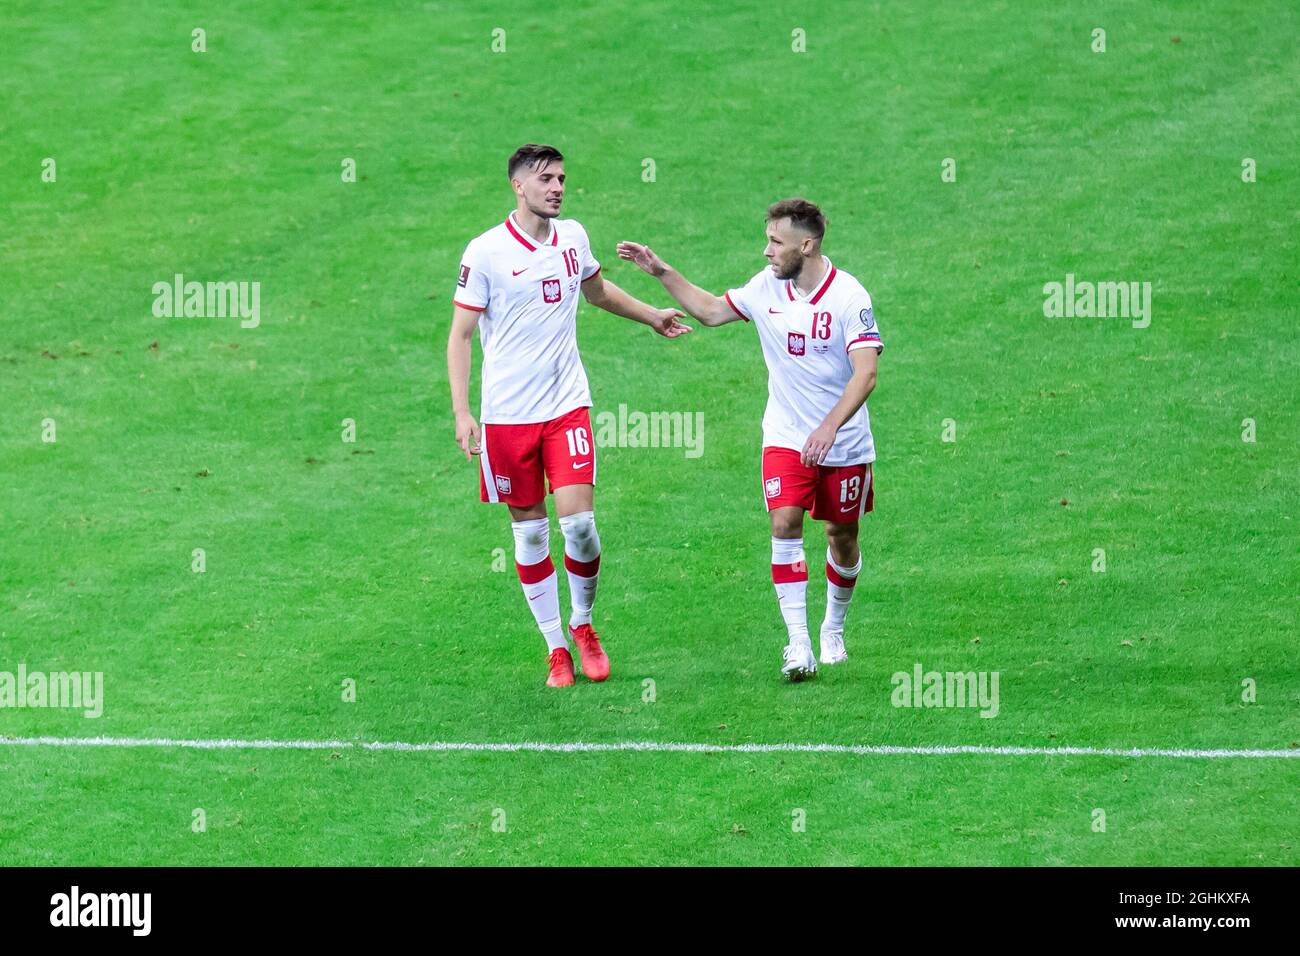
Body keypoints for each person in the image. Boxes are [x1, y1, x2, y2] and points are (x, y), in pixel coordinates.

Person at [447, 144, 690, 687]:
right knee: (531, 538)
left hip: (566, 408)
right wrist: (463, 411)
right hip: (508, 417)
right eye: (546, 179)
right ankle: (555, 645)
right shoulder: (485, 253)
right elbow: (460, 334)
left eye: (561, 178)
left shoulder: (573, 237)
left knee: (580, 527)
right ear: (518, 186)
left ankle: (583, 625)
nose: (557, 187)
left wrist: (652, 316)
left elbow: (598, 291)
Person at [617, 198, 882, 680]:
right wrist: (660, 271)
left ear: (807, 244)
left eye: (776, 242)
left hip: (844, 445)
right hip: (785, 434)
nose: (766, 252)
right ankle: (798, 643)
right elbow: (713, 312)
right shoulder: (767, 288)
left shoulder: (849, 297)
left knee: (842, 537)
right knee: (784, 524)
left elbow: (865, 375)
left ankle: (833, 630)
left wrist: (829, 427)